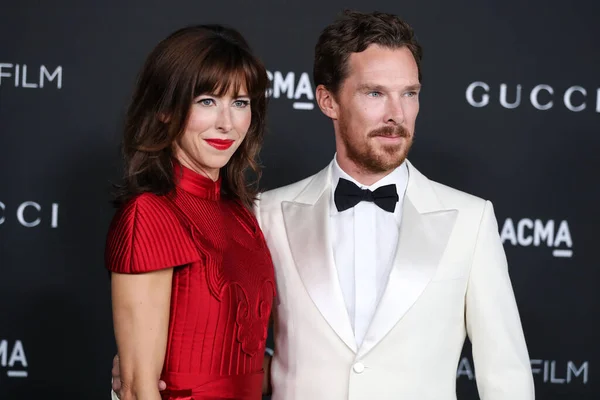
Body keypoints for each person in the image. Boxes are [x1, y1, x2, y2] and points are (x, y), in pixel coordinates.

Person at [112, 10, 535, 400]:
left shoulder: (471, 220)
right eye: (374, 93)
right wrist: (141, 376)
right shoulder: (266, 213)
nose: (396, 113)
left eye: (409, 93)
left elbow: (507, 378)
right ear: (328, 101)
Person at [105, 24, 274, 400]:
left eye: (240, 103)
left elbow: (242, 368)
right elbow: (137, 389)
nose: (226, 123)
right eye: (207, 101)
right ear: (165, 108)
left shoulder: (242, 214)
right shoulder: (149, 214)